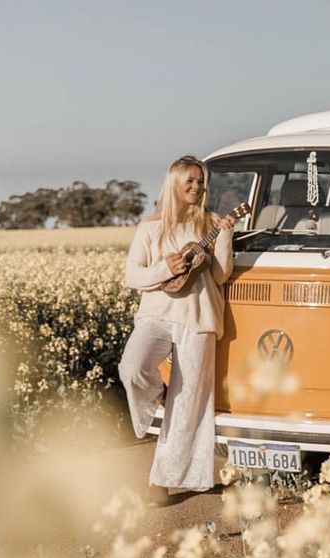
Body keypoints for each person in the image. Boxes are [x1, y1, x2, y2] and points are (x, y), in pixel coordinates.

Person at [118, 155, 235, 506]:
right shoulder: (150, 228)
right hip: (156, 314)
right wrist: (163, 269)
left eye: (201, 182)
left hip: (198, 317)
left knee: (187, 408)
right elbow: (132, 275)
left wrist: (226, 237)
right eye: (190, 181)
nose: (197, 187)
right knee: (132, 368)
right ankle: (159, 395)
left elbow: (219, 275)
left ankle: (161, 483)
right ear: (174, 183)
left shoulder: (212, 223)